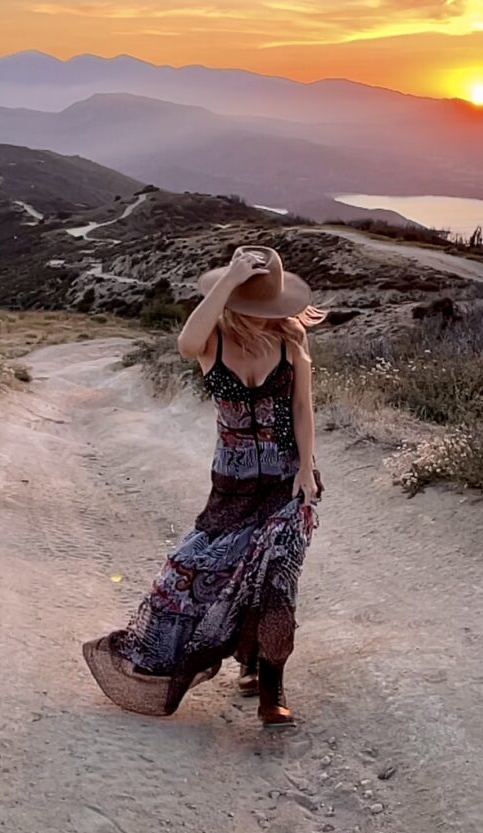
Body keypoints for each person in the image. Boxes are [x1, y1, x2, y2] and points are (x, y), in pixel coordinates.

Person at [82, 246, 323, 729]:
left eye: (267, 310)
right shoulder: (210, 342)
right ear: (232, 301)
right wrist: (228, 279)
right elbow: (185, 341)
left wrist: (305, 470)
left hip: (285, 481)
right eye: (249, 306)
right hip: (230, 487)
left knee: (277, 578)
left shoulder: (292, 347)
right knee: (196, 574)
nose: (260, 318)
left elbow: (301, 410)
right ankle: (241, 659)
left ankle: (270, 687)